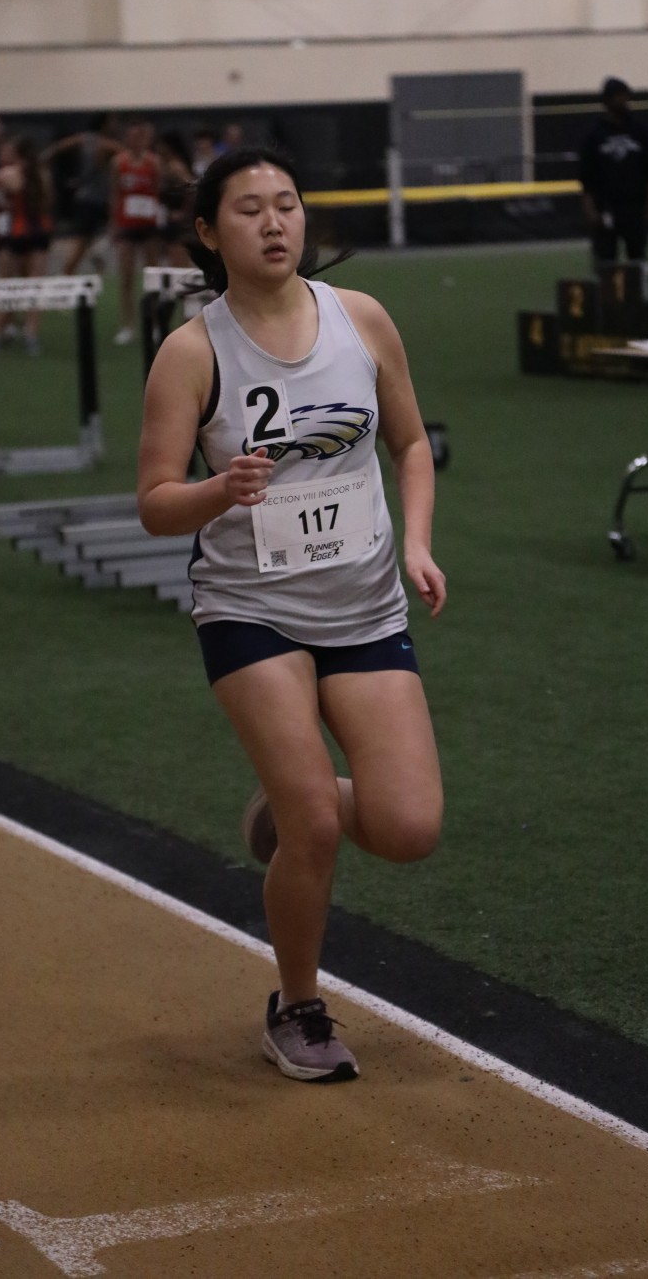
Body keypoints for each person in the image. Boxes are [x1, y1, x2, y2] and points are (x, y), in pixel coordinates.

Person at [137, 147, 445, 1082]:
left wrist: (417, 544)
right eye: (248, 209)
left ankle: (290, 797)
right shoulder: (192, 352)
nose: (274, 223)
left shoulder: (362, 320)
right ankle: (298, 1008)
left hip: (364, 604)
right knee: (314, 825)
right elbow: (155, 502)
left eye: (287, 205)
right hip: (250, 608)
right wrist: (217, 490)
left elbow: (411, 444)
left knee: (408, 828)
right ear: (207, 232)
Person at [0, 134, 53, 357]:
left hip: (15, 234)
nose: (2, 154)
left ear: (16, 154)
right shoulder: (42, 174)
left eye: (7, 151)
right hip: (39, 233)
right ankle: (30, 336)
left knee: (4, 287)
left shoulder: (7, 173)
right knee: (34, 287)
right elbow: (47, 202)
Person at [578, 78, 648, 271]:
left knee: (637, 258)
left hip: (635, 205)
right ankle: (607, 291)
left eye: (626, 96)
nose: (624, 101)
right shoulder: (594, 135)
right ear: (607, 100)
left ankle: (636, 291)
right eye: (619, 96)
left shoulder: (640, 131)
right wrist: (590, 209)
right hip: (605, 206)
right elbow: (586, 178)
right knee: (606, 261)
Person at [42, 113, 123, 276]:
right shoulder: (104, 143)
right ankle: (70, 271)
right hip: (92, 199)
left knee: (92, 237)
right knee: (82, 241)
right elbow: (123, 153)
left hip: (89, 197)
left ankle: (92, 251)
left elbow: (59, 147)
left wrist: (45, 157)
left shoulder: (83, 139)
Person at [110, 119, 161, 344]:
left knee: (152, 276)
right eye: (131, 137)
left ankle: (155, 323)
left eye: (139, 137)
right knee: (126, 277)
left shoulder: (154, 162)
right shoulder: (118, 163)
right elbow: (114, 193)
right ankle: (128, 325)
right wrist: (113, 224)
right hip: (126, 224)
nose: (135, 141)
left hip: (148, 223)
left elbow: (159, 190)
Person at [154, 130, 196, 268]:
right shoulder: (163, 165)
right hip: (165, 216)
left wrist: (184, 212)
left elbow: (191, 188)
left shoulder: (176, 167)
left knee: (178, 261)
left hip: (177, 218)